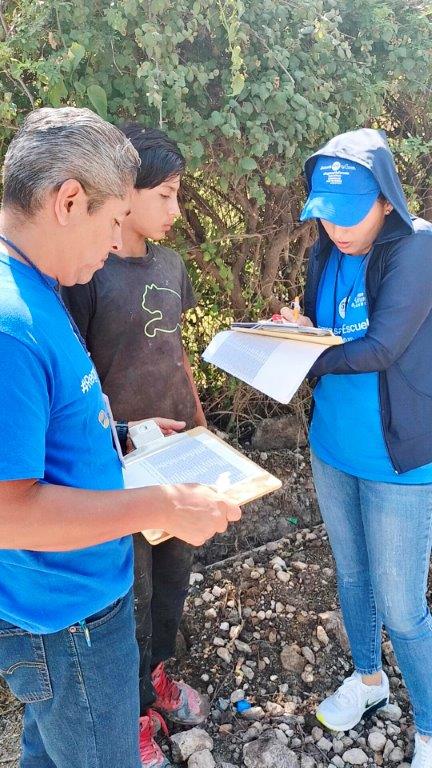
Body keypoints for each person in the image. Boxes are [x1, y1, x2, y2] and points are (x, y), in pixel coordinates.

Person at [0, 107, 241, 768]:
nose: (114, 243)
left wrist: (127, 432)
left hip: (72, 605)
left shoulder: (36, 285)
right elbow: (7, 511)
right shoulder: (10, 325)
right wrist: (162, 505)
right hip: (67, 619)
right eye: (111, 221)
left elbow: (51, 427)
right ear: (68, 201)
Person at [281, 128, 432, 768]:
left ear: (386, 201)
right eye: (327, 215)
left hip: (397, 460)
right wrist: (293, 334)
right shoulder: (328, 250)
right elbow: (327, 331)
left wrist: (303, 358)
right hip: (332, 446)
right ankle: (369, 679)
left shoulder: (419, 247)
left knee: (403, 606)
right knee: (352, 577)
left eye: (350, 215)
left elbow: (381, 348)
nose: (338, 230)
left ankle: (429, 728)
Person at [63, 124, 208, 768]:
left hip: (177, 449)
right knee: (131, 591)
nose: (175, 210)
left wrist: (200, 423)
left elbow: (175, 353)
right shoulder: (87, 275)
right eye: (166, 195)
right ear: (127, 192)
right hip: (117, 464)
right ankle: (132, 714)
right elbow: (78, 376)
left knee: (173, 577)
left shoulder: (171, 266)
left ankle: (158, 675)